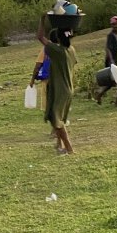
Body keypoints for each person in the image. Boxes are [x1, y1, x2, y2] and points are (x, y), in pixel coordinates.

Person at [37, 13, 77, 155]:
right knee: (57, 119)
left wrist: (42, 20)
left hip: (61, 89)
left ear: (58, 38)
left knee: (56, 120)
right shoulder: (71, 50)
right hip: (67, 88)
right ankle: (61, 146)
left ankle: (69, 148)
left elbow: (40, 37)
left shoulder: (58, 51)